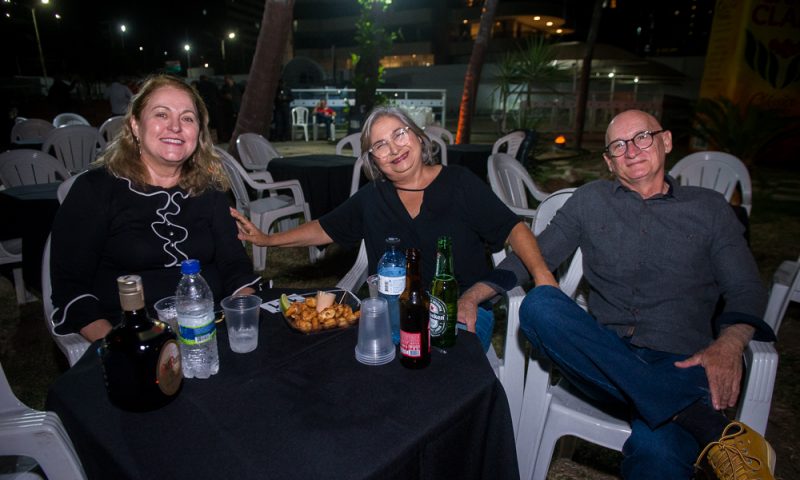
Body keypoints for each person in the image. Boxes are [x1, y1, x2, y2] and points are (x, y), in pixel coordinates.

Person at [464, 110, 790, 480]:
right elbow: (534, 256)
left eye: (642, 138)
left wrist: (730, 343)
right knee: (540, 306)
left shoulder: (709, 209)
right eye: (618, 145)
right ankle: (712, 429)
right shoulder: (590, 200)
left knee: (659, 453)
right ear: (608, 161)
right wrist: (474, 294)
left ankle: (686, 418)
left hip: (683, 361)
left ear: (666, 141)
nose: (631, 150)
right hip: (602, 357)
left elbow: (746, 288)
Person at [230, 106, 557, 351]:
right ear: (374, 160)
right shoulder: (373, 197)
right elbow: (324, 229)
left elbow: (514, 229)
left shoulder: (460, 183)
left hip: (458, 310)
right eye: (380, 145)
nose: (394, 149)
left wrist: (542, 276)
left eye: (399, 134)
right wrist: (267, 239)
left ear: (418, 136)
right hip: (391, 314)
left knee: (439, 381)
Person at [51, 74, 259, 342]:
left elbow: (235, 267)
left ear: (199, 133)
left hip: (210, 329)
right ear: (135, 125)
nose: (175, 127)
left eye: (187, 118)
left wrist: (243, 320)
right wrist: (120, 348)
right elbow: (71, 289)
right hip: (128, 335)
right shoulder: (95, 190)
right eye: (161, 114)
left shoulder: (210, 191)